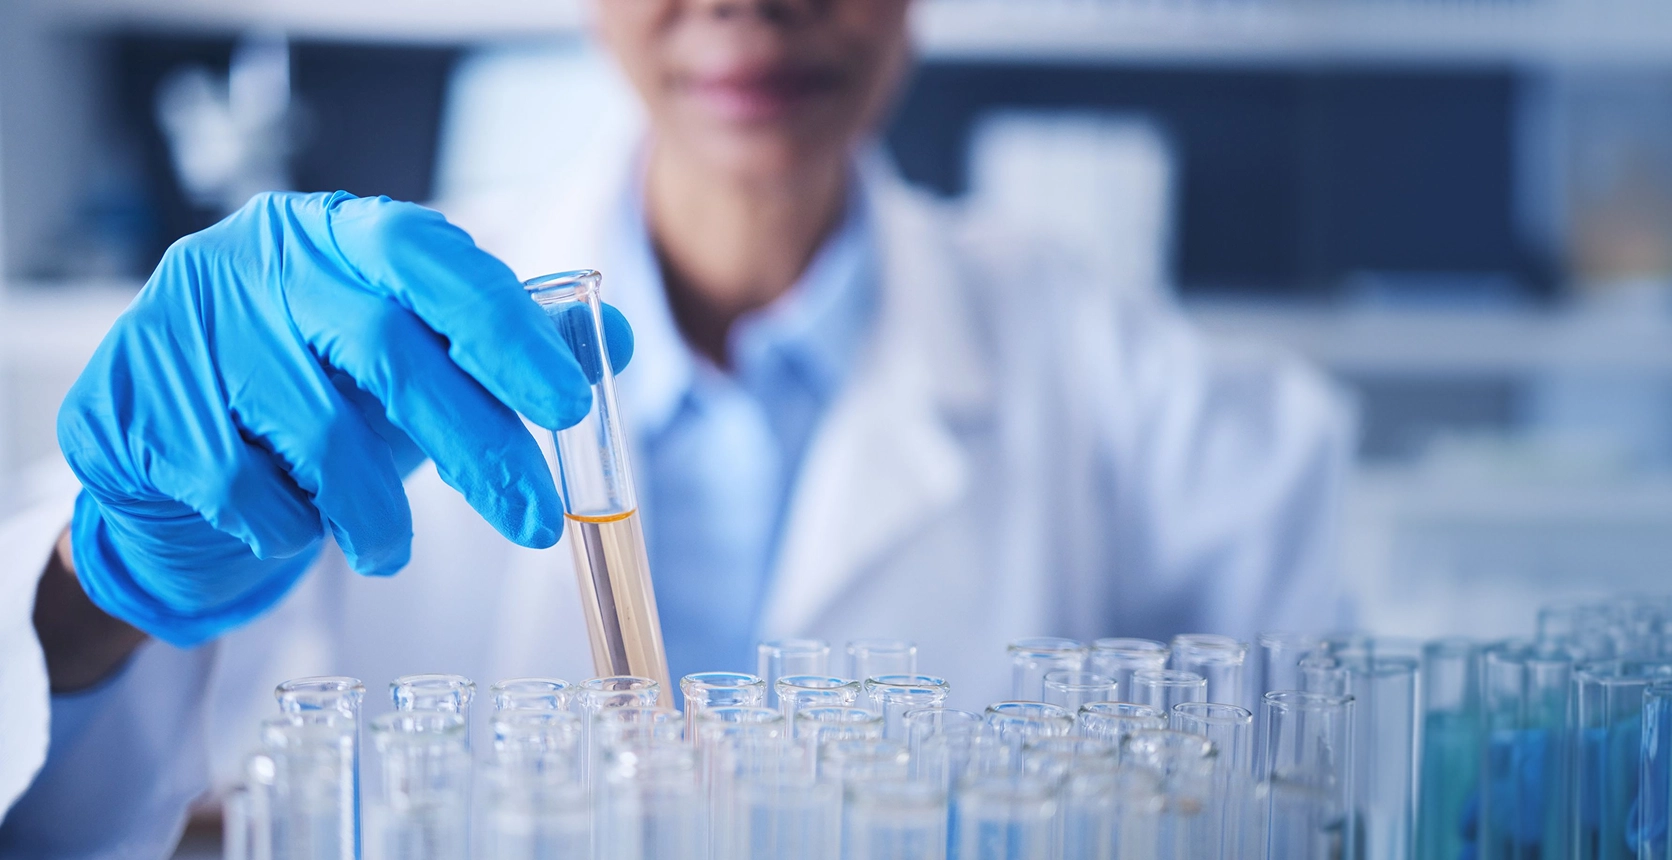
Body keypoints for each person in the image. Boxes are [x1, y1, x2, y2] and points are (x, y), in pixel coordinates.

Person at [0, 0, 1354, 852]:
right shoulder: (349, 334)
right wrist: (97, 586)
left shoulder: (1140, 387)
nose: (752, 9)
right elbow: (72, 812)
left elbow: (1321, 790)